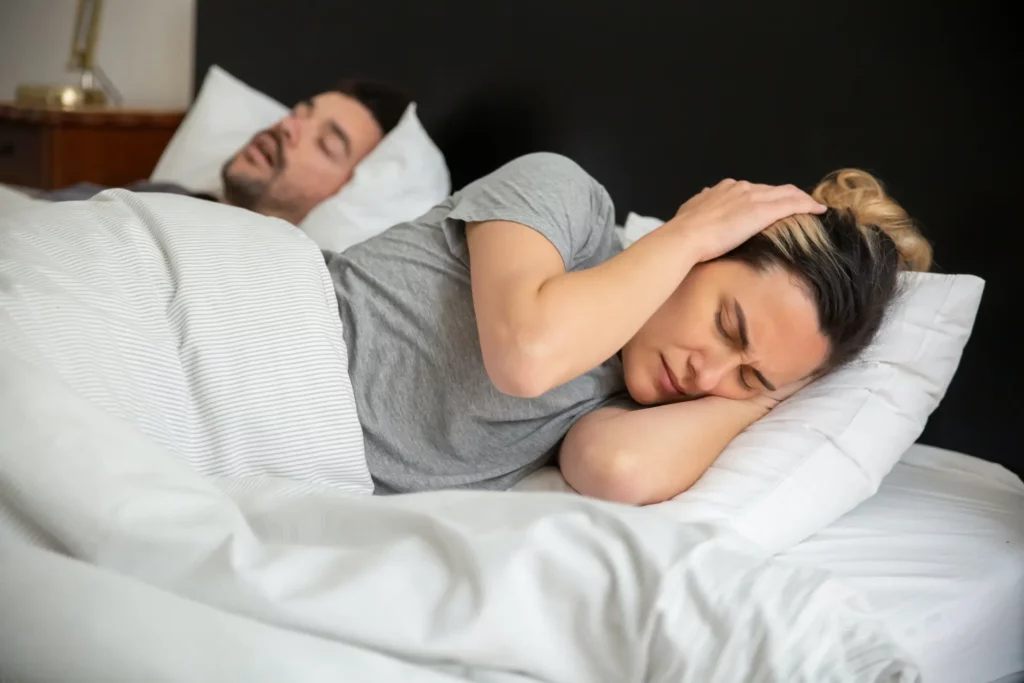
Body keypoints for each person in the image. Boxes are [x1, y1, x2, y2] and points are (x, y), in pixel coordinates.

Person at [324, 153, 932, 502]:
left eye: (749, 375)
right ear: (707, 250)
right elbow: (526, 356)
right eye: (727, 325)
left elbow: (617, 468)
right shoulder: (566, 202)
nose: (709, 373)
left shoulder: (627, 404)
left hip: (271, 452)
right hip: (253, 322)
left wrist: (768, 396)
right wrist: (687, 233)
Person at [31, 79, 409, 225]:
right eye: (298, 113)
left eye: (326, 144)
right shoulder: (166, 193)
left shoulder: (280, 275)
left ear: (347, 192)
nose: (287, 126)